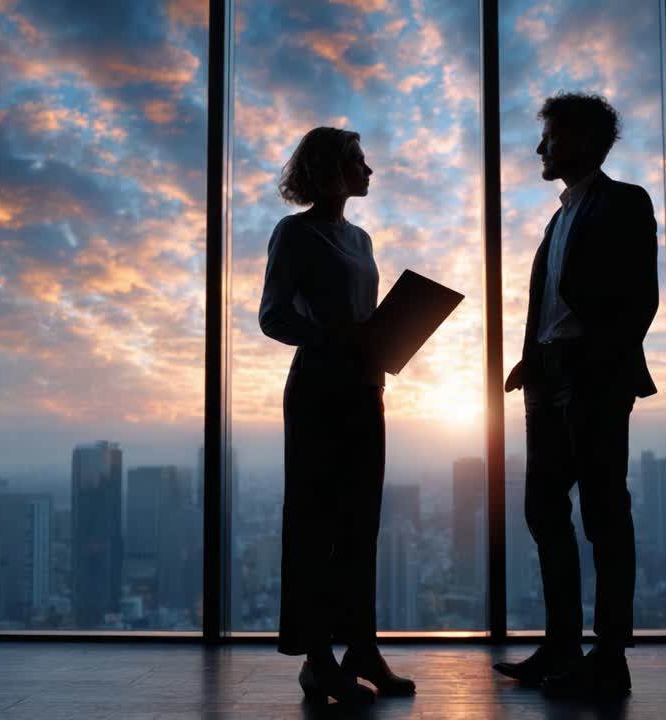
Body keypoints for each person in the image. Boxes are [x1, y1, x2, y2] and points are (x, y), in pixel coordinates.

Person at [493, 93, 659, 699]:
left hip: (594, 378)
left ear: (583, 142)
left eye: (551, 138)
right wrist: (532, 361)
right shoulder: (558, 219)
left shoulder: (624, 202)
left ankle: (608, 656)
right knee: (544, 511)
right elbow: (550, 307)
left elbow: (641, 299)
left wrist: (596, 362)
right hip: (549, 380)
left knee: (603, 517)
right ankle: (563, 646)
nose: (541, 149)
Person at [258, 127, 415, 706]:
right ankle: (318, 660)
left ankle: (361, 649)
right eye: (359, 160)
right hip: (319, 391)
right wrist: (335, 336)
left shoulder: (363, 239)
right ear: (332, 169)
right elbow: (273, 317)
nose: (370, 170)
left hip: (364, 388)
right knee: (314, 524)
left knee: (360, 525)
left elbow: (361, 317)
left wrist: (381, 339)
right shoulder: (293, 234)